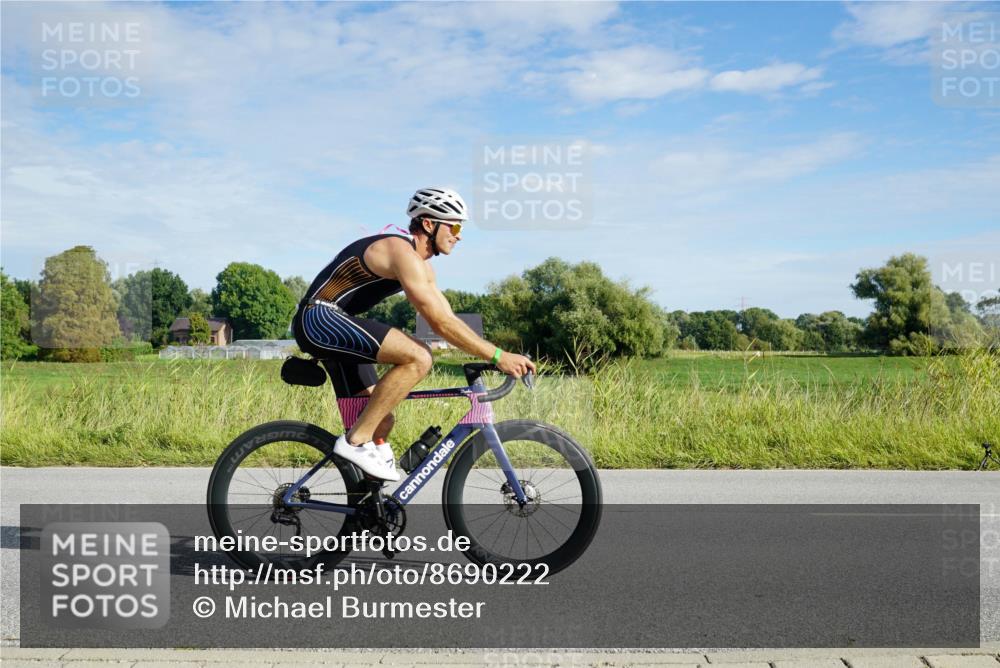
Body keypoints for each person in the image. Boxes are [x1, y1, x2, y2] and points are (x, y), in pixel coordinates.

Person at [291, 187, 536, 482]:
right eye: (455, 225)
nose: (459, 235)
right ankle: (355, 442)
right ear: (429, 224)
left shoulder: (422, 267)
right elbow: (439, 324)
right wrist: (498, 356)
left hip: (335, 323)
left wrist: (496, 352)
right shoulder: (400, 251)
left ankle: (368, 508)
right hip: (318, 319)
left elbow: (448, 318)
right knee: (419, 357)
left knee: (381, 420)